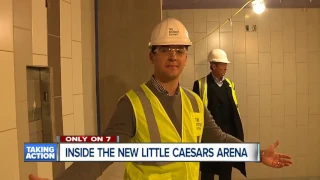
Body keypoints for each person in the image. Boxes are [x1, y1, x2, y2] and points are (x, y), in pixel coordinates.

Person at [29, 18, 292, 180]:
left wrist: (257, 154)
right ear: (151, 56)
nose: (173, 56)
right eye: (165, 49)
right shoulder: (132, 103)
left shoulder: (194, 102)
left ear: (186, 57)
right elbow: (101, 153)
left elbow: (220, 140)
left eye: (179, 50)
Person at [193, 49, 245, 180]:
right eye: (223, 64)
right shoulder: (200, 84)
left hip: (226, 137)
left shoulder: (230, 85)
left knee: (226, 172)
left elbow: (234, 111)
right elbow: (195, 114)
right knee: (207, 173)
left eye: (226, 65)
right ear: (213, 66)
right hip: (209, 137)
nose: (226, 67)